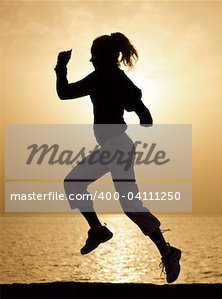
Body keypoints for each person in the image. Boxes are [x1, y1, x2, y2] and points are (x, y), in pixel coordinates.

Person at [54, 32, 181, 283]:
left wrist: (61, 68)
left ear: (104, 57)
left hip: (118, 148)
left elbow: (66, 93)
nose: (90, 59)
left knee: (128, 205)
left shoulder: (107, 76)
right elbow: (67, 94)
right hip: (112, 147)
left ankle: (167, 252)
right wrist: (143, 114)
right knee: (75, 184)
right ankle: (98, 230)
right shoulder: (103, 76)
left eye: (93, 55)